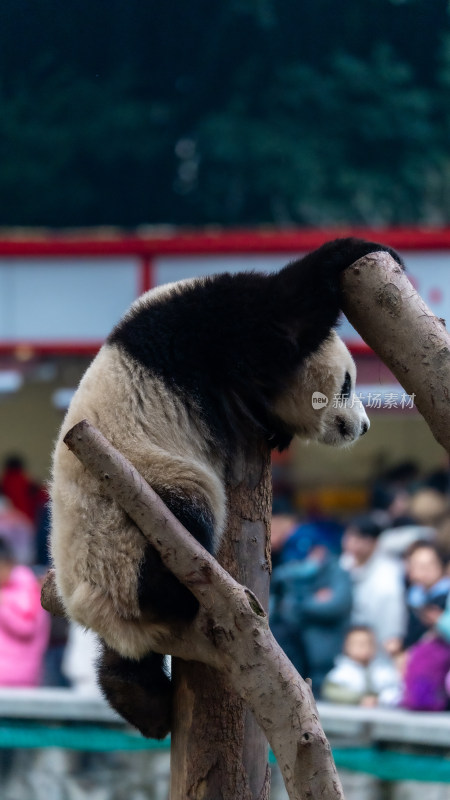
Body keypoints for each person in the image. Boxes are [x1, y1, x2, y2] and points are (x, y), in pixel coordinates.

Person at [270, 531, 352, 695]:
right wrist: (310, 600)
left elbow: (334, 606)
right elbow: (284, 608)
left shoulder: (337, 572)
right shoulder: (294, 571)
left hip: (325, 659)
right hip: (298, 655)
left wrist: (300, 604)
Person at [340, 514, 406, 655]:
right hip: (345, 638)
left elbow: (392, 618)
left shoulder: (388, 573)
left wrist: (390, 640)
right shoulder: (344, 563)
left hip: (376, 644)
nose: (352, 542)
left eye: (360, 538)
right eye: (349, 536)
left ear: (374, 542)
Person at [0, 538, 50, 686]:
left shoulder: (27, 587)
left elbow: (26, 627)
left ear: (8, 564)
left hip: (19, 677)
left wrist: (3, 605)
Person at [322, 625, 401, 706]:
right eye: (359, 644)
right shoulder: (341, 673)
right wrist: (358, 699)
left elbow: (395, 690)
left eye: (369, 643)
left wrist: (380, 699)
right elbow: (330, 692)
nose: (364, 647)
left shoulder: (384, 670)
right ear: (347, 646)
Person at [403, 540, 450, 649]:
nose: (423, 571)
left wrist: (440, 620)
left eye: (428, 565)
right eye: (416, 565)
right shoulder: (413, 594)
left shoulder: (446, 595)